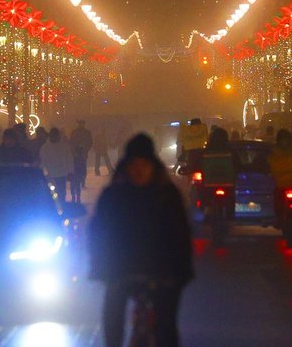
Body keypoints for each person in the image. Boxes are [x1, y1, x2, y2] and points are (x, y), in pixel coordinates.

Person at [89, 134, 193, 347]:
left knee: (165, 325)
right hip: (122, 268)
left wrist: (180, 271)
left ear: (153, 165)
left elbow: (180, 234)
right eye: (134, 164)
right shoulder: (113, 196)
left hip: (161, 269)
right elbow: (99, 233)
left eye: (144, 164)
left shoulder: (167, 196)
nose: (139, 170)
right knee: (113, 316)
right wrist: (101, 266)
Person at [200, 127, 240, 216]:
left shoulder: (206, 151)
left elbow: (198, 164)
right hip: (228, 184)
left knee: (203, 198)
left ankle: (206, 211)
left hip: (209, 184)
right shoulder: (231, 150)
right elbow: (238, 165)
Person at [40, 128, 73, 203]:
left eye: (55, 135)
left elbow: (69, 159)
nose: (54, 137)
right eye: (53, 135)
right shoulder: (45, 148)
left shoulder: (64, 146)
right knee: (51, 194)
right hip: (50, 175)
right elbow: (43, 161)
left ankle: (61, 208)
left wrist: (70, 171)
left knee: (61, 193)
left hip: (61, 174)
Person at [69, 120, 94, 188]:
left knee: (81, 168)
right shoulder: (84, 132)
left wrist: (86, 150)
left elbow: (90, 142)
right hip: (79, 152)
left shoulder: (78, 132)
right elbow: (71, 142)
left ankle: (81, 181)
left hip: (82, 152)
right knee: (80, 168)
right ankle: (79, 181)